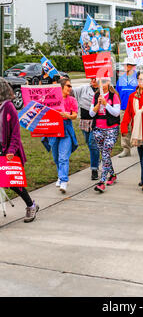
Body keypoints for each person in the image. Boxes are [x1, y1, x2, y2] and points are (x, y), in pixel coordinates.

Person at [0, 77, 39, 222]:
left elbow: (15, 133)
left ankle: (31, 205)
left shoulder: (9, 107)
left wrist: (10, 151)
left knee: (14, 183)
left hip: (9, 152)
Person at [47, 78, 78, 193]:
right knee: (56, 157)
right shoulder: (52, 99)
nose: (70, 88)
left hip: (66, 130)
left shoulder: (72, 100)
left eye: (70, 86)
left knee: (63, 157)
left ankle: (64, 181)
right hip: (53, 130)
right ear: (61, 87)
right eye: (68, 86)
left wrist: (67, 115)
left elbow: (74, 115)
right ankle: (60, 176)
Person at [90, 78, 121, 194]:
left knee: (105, 153)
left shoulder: (114, 96)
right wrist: (98, 104)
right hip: (98, 128)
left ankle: (102, 182)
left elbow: (116, 113)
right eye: (100, 82)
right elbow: (91, 113)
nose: (101, 84)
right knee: (104, 154)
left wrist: (106, 104)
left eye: (104, 82)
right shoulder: (96, 96)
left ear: (108, 83)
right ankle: (112, 174)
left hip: (111, 129)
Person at [73, 78, 100, 180]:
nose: (93, 80)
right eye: (91, 78)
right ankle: (96, 160)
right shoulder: (84, 88)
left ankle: (94, 169)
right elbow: (71, 91)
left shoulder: (103, 90)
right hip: (84, 121)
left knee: (92, 143)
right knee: (89, 144)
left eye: (95, 78)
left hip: (97, 122)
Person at [116, 57, 138, 158]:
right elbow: (117, 93)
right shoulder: (121, 79)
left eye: (127, 65)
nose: (125, 67)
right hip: (124, 107)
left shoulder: (138, 78)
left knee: (137, 127)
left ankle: (140, 146)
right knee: (124, 128)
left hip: (136, 107)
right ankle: (126, 149)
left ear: (132, 66)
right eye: (124, 65)